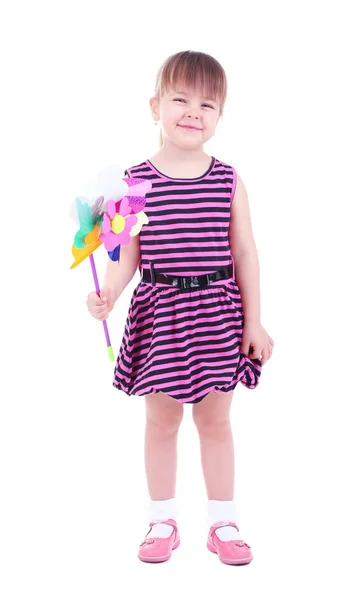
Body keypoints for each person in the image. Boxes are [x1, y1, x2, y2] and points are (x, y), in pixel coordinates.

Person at [87, 50, 274, 565]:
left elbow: (245, 253)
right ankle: (161, 519)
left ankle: (223, 521)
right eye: (181, 98)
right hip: (161, 313)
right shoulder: (134, 181)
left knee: (215, 421)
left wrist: (254, 320)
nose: (194, 111)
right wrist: (108, 294)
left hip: (218, 312)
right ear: (155, 106)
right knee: (162, 421)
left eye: (208, 103)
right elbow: (125, 257)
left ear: (220, 116)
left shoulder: (228, 179)